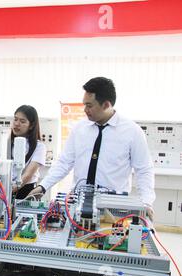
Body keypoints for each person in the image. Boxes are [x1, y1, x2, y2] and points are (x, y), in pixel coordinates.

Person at [29, 77, 155, 219]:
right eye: (84, 105)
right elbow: (64, 163)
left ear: (106, 104)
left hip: (113, 209)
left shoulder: (132, 132)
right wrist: (43, 186)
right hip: (78, 205)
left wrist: (146, 202)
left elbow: (144, 170)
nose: (85, 110)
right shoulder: (79, 129)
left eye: (89, 105)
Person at [9, 105, 46, 199]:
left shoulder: (39, 147)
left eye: (22, 121)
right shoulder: (7, 142)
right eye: (15, 119)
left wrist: (9, 190)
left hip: (26, 192)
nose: (17, 124)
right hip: (7, 188)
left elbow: (28, 175)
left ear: (31, 125)